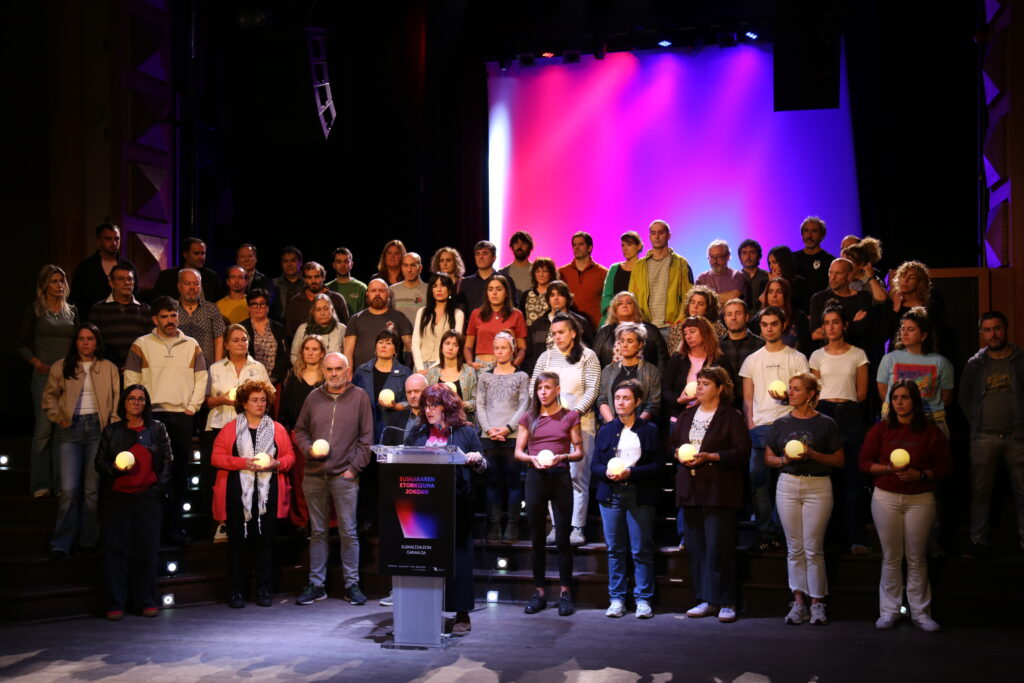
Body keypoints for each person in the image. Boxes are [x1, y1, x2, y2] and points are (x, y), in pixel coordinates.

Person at [860, 380, 951, 632]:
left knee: (917, 557)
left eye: (905, 397)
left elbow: (944, 467)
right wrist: (888, 469)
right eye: (895, 398)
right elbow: (864, 462)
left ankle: (921, 613)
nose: (899, 402)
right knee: (891, 557)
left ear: (915, 401)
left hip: (920, 499)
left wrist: (919, 475)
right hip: (886, 497)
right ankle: (889, 611)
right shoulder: (880, 430)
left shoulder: (930, 432)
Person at [124, 296, 208, 546]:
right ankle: (152, 530)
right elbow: (131, 381)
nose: (170, 320)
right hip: (153, 416)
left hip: (182, 415)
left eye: (173, 315)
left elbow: (202, 378)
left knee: (179, 474)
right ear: (154, 319)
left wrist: (192, 408)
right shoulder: (141, 344)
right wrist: (140, 413)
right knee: (152, 474)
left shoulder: (191, 344)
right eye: (164, 316)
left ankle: (175, 528)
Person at [403, 384, 486, 634]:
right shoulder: (418, 432)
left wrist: (476, 460)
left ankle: (461, 614)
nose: (429, 411)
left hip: (457, 504)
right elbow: (404, 461)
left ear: (447, 407)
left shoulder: (465, 432)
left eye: (434, 406)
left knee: (459, 559)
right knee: (426, 559)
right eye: (426, 406)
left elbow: (484, 465)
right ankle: (425, 612)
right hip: (424, 507)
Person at [670, 366, 751, 623]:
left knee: (719, 547)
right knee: (697, 548)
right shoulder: (687, 415)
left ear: (720, 389)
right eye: (699, 383)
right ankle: (705, 598)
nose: (700, 388)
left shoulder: (731, 417)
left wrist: (712, 456)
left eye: (706, 384)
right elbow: (673, 444)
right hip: (691, 489)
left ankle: (726, 600)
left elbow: (741, 451)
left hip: (719, 489)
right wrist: (678, 455)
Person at [293, 352, 373, 606]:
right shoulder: (313, 397)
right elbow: (300, 431)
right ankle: (317, 585)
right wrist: (309, 451)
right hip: (314, 475)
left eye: (339, 368)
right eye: (329, 369)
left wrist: (353, 469)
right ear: (323, 371)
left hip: (344, 476)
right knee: (317, 531)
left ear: (348, 371)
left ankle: (352, 584)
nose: (334, 373)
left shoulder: (360, 397)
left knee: (348, 532)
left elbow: (366, 439)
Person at [765, 372, 844, 626]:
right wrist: (784, 460)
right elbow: (768, 458)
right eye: (790, 388)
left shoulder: (826, 423)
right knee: (794, 547)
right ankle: (798, 603)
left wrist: (813, 454)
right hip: (788, 484)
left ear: (810, 394)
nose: (790, 392)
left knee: (813, 547)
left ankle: (817, 603)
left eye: (797, 389)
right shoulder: (780, 423)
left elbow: (839, 460)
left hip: (817, 486)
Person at [211, 379, 295, 608]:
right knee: (238, 543)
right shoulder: (231, 428)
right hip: (238, 494)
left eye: (263, 400)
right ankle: (237, 591)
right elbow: (216, 458)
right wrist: (243, 462)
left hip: (268, 495)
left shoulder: (277, 428)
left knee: (265, 543)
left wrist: (276, 463)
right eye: (255, 400)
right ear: (244, 403)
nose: (260, 404)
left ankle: (263, 589)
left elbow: (290, 457)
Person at [94, 385, 172, 620]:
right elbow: (99, 463)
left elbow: (167, 462)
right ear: (124, 403)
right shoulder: (112, 431)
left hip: (147, 498)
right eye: (132, 398)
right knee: (115, 552)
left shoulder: (157, 429)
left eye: (141, 399)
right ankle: (115, 603)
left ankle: (146, 601)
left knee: (147, 552)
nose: (136, 402)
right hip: (118, 499)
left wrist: (157, 489)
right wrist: (114, 468)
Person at [42, 323, 120, 558]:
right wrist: (60, 418)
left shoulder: (108, 367)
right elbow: (49, 397)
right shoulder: (61, 366)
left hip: (97, 429)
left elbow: (116, 399)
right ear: (75, 342)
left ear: (97, 342)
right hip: (71, 429)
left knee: (91, 491)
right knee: (68, 490)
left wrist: (111, 426)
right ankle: (62, 543)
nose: (85, 343)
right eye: (81, 339)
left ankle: (88, 540)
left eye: (90, 338)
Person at [739, 306, 810, 550]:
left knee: (787, 483)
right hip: (760, 427)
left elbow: (805, 393)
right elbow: (747, 398)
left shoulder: (797, 358)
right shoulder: (752, 360)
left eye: (774, 324)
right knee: (758, 483)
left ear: (783, 325)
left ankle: (783, 533)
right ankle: (765, 533)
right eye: (765, 325)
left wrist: (788, 398)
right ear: (760, 328)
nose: (769, 329)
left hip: (789, 426)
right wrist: (751, 424)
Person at [515, 371, 583, 616]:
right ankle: (539, 592)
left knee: (563, 539)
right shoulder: (528, 418)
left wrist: (562, 456)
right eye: (539, 388)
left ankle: (565, 593)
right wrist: (532, 459)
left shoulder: (570, 416)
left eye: (547, 387)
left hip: (560, 477)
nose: (543, 392)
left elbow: (579, 452)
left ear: (557, 390)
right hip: (536, 478)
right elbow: (518, 452)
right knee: (537, 540)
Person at [529, 314, 601, 546]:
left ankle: (577, 527)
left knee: (577, 477)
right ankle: (557, 526)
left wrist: (572, 416)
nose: (557, 337)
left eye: (561, 332)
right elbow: (534, 388)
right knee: (552, 475)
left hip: (580, 424)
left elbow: (592, 389)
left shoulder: (588, 356)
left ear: (573, 332)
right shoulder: (546, 357)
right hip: (550, 427)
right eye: (553, 333)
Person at [592, 379, 661, 619]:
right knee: (615, 549)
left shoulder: (649, 430)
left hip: (639, 494)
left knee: (641, 549)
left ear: (637, 402)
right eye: (617, 398)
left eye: (626, 398)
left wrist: (632, 472)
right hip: (611, 494)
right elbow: (595, 464)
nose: (620, 403)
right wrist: (606, 473)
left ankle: (643, 599)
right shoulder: (606, 430)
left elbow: (658, 466)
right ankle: (617, 598)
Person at [959, 311, 1024, 558]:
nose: (993, 334)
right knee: (980, 492)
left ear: (1006, 330)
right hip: (984, 437)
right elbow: (965, 398)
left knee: (1022, 492)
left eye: (997, 328)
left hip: (1018, 436)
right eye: (987, 330)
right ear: (982, 334)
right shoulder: (975, 364)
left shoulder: (1020, 360)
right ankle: (978, 541)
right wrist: (977, 423)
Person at [809, 302, 871, 554]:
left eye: (835, 322)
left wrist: (844, 405)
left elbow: (862, 392)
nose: (831, 327)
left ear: (845, 325)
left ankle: (856, 537)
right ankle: (827, 538)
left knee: (852, 477)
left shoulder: (858, 354)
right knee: (825, 477)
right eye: (826, 323)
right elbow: (814, 392)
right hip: (824, 413)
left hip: (850, 413)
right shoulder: (817, 356)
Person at [204, 324, 271, 538]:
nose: (241, 343)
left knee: (249, 475)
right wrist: (223, 400)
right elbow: (205, 401)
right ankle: (222, 523)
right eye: (235, 340)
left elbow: (269, 395)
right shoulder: (215, 369)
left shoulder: (258, 367)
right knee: (222, 480)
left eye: (244, 339)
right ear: (226, 344)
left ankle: (252, 520)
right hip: (220, 426)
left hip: (251, 428)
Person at [21, 264, 79, 497]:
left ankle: (60, 484)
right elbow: (22, 344)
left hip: (67, 377)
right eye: (54, 281)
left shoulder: (71, 311)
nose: (59, 285)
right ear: (45, 285)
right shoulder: (35, 310)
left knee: (63, 430)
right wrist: (37, 363)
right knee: (44, 430)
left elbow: (79, 342)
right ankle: (40, 484)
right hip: (44, 376)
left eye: (61, 281)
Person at [476, 332, 530, 541]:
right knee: (493, 482)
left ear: (512, 350)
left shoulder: (521, 376)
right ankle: (494, 526)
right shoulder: (485, 377)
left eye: (504, 348)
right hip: (489, 436)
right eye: (497, 348)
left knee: (513, 481)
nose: (500, 352)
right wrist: (489, 429)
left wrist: (508, 428)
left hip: (512, 436)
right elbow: (480, 405)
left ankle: (512, 526)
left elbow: (524, 404)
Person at [877, 307, 954, 436]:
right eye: (903, 329)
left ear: (923, 335)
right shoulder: (889, 359)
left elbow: (946, 397)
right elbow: (883, 392)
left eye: (911, 329)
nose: (905, 333)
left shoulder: (940, 362)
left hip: (930, 418)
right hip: (895, 418)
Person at [277, 335, 326, 530]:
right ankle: (302, 520)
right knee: (300, 480)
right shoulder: (292, 377)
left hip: (323, 437)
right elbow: (284, 408)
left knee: (322, 480)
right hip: (298, 436)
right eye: (307, 349)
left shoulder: (328, 377)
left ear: (322, 353)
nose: (310, 352)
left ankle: (321, 520)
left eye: (315, 349)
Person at [628, 219, 694, 338]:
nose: (657, 236)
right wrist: (637, 322)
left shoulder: (680, 263)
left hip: (671, 326)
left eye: (661, 232)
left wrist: (679, 322)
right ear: (649, 236)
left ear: (668, 236)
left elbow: (688, 296)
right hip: (645, 326)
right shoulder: (639, 266)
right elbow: (632, 296)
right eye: (653, 233)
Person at [663, 316, 730, 423]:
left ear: (704, 332)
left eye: (692, 331)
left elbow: (727, 390)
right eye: (685, 333)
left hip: (711, 418)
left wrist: (705, 399)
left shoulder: (719, 360)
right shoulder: (677, 359)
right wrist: (679, 400)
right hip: (681, 418)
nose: (688, 336)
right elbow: (666, 390)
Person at [352, 329, 412, 443]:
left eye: (388, 343)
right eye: (380, 342)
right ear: (376, 347)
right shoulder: (362, 370)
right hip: (364, 430)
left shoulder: (405, 372)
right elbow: (353, 399)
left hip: (391, 430)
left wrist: (395, 407)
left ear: (395, 350)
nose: (383, 346)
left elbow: (411, 402)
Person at [88, 261, 151, 370]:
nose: (127, 283)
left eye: (130, 279)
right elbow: (94, 343)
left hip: (139, 369)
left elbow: (150, 344)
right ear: (111, 283)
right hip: (107, 369)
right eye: (121, 279)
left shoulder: (146, 310)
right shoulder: (98, 309)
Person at [69, 222, 137, 321]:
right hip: (93, 322)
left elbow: (136, 295)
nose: (114, 243)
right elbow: (75, 300)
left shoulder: (129, 267)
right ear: (99, 241)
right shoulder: (85, 268)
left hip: (125, 320)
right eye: (108, 239)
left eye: (117, 239)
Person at [598, 322, 662, 424]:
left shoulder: (651, 371)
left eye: (630, 341)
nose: (624, 345)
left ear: (640, 345)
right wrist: (613, 424)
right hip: (612, 425)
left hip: (640, 426)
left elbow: (653, 404)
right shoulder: (608, 370)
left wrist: (635, 425)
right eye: (622, 340)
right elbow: (602, 400)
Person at [524, 280, 593, 375]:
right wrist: (531, 375)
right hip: (544, 375)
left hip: (573, 373)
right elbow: (530, 355)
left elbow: (589, 349)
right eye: (552, 295)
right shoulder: (538, 325)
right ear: (548, 299)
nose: (556, 298)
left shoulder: (580, 322)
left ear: (567, 298)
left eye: (560, 294)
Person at [343, 279, 413, 369]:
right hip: (362, 375)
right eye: (373, 291)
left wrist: (407, 371)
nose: (377, 294)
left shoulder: (400, 317)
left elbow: (410, 348)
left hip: (393, 374)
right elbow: (348, 353)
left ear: (388, 294)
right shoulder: (355, 319)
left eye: (381, 290)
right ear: (367, 294)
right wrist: (349, 375)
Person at [592, 291, 669, 370]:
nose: (624, 305)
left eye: (628, 303)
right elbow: (594, 360)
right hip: (610, 377)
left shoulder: (651, 330)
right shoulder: (604, 332)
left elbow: (662, 359)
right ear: (614, 310)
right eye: (620, 303)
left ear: (635, 308)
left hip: (645, 376)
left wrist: (657, 377)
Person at [465, 274, 527, 370]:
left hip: (507, 367)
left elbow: (522, 348)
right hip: (481, 367)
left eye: (499, 289)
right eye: (490, 289)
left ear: (506, 293)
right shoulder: (476, 314)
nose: (494, 293)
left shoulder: (516, 315)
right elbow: (468, 346)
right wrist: (470, 363)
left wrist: (514, 365)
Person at [808, 258, 872, 350]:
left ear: (849, 275)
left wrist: (829, 331)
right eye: (831, 272)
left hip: (854, 353)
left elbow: (861, 329)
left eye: (838, 273)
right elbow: (815, 334)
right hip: (827, 354)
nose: (832, 277)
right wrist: (853, 323)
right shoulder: (818, 298)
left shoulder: (862, 297)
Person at [411, 273, 465, 372]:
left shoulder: (457, 314)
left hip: (444, 367)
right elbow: (415, 342)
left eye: (443, 285)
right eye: (435, 286)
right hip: (420, 366)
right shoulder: (422, 312)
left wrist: (432, 369)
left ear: (449, 290)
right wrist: (420, 368)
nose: (438, 289)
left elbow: (455, 344)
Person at [284, 262, 350, 339]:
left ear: (323, 277)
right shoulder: (294, 302)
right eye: (309, 277)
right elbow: (290, 333)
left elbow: (347, 330)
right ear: (304, 279)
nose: (313, 281)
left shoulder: (337, 299)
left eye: (317, 276)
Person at [718, 299, 765, 408]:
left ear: (747, 317)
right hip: (725, 404)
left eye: (738, 313)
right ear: (724, 318)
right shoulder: (717, 346)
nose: (733, 318)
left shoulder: (761, 345)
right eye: (729, 314)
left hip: (755, 403)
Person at [558, 231, 608, 329]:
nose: (576, 247)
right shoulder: (562, 272)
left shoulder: (603, 273)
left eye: (581, 244)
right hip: (570, 326)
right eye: (574, 245)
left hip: (595, 328)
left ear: (590, 248)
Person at [240, 288, 290, 385]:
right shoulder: (241, 329)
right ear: (248, 307)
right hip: (248, 381)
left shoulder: (279, 328)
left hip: (275, 382)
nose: (258, 307)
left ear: (268, 307)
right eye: (254, 304)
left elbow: (285, 356)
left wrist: (273, 379)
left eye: (262, 304)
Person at [426, 329, 478, 423]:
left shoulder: (469, 372)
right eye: (447, 343)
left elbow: (477, 402)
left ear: (459, 349)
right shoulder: (432, 373)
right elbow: (426, 401)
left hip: (463, 423)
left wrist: (462, 404)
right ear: (441, 347)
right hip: (438, 424)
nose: (450, 348)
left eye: (455, 345)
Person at [176, 268, 225, 365]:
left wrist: (217, 367)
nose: (192, 287)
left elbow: (219, 338)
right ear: (179, 286)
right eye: (187, 283)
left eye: (196, 283)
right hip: (178, 365)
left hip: (206, 366)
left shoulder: (211, 309)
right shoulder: (172, 309)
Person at [151, 237, 222, 303]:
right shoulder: (167, 276)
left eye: (203, 253)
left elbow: (218, 302)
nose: (201, 257)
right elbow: (158, 303)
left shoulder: (211, 276)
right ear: (185, 254)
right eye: (196, 253)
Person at [754, 277, 811, 357]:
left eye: (779, 292)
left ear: (786, 295)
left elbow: (807, 348)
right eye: (770, 292)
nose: (774, 295)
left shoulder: (799, 317)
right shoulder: (758, 318)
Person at [600, 231, 643, 325]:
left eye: (629, 244)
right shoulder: (614, 268)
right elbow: (607, 296)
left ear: (639, 246)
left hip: (637, 321)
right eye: (623, 245)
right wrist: (615, 314)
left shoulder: (644, 269)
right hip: (613, 319)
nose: (625, 248)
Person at [792, 216, 834, 308]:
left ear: (822, 236)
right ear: (802, 234)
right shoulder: (792, 258)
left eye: (814, 231)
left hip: (820, 308)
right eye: (806, 231)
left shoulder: (829, 260)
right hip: (796, 309)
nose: (809, 235)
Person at [290, 292, 345, 363]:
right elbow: (294, 355)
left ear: (331, 310)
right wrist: (303, 368)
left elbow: (347, 356)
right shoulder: (303, 329)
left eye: (326, 309)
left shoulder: (341, 329)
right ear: (313, 312)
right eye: (318, 310)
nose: (322, 313)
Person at [462, 240, 514, 313]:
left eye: (485, 253)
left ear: (494, 258)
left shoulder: (506, 280)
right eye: (478, 254)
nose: (481, 257)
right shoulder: (466, 282)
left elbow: (512, 306)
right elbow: (461, 309)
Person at [696, 240, 749, 305]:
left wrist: (706, 297)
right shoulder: (702, 278)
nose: (715, 261)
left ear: (728, 256)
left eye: (719, 256)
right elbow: (697, 300)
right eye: (711, 257)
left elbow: (733, 297)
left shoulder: (737, 276)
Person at [764, 246, 810, 314]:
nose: (771, 267)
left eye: (774, 262)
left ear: (784, 262)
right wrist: (772, 282)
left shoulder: (801, 283)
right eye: (769, 263)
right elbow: (762, 306)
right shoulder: (765, 283)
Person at [842, 237, 887, 304]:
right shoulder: (842, 278)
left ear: (860, 265)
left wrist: (871, 278)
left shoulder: (871, 280)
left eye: (850, 263)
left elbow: (881, 300)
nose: (845, 267)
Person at [388, 252, 428, 323]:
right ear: (402, 268)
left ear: (420, 268)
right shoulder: (391, 290)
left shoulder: (429, 290)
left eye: (413, 265)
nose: (409, 270)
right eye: (405, 265)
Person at [326, 247, 367, 316]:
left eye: (346, 261)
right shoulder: (326, 288)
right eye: (338, 262)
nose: (342, 265)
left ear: (351, 264)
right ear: (334, 265)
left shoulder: (361, 288)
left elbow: (365, 314)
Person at [518, 257, 556, 328]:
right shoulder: (526, 295)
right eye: (537, 271)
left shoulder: (556, 294)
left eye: (545, 271)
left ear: (551, 273)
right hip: (530, 333)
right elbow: (521, 320)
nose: (541, 275)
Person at [271, 246, 304, 322]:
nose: (289, 264)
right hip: (280, 325)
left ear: (301, 262)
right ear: (281, 264)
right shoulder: (273, 284)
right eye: (285, 261)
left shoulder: (307, 283)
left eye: (293, 260)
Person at [738, 238, 769, 308]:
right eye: (744, 253)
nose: (748, 256)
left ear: (759, 256)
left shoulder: (767, 276)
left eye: (752, 252)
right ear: (739, 257)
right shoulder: (735, 278)